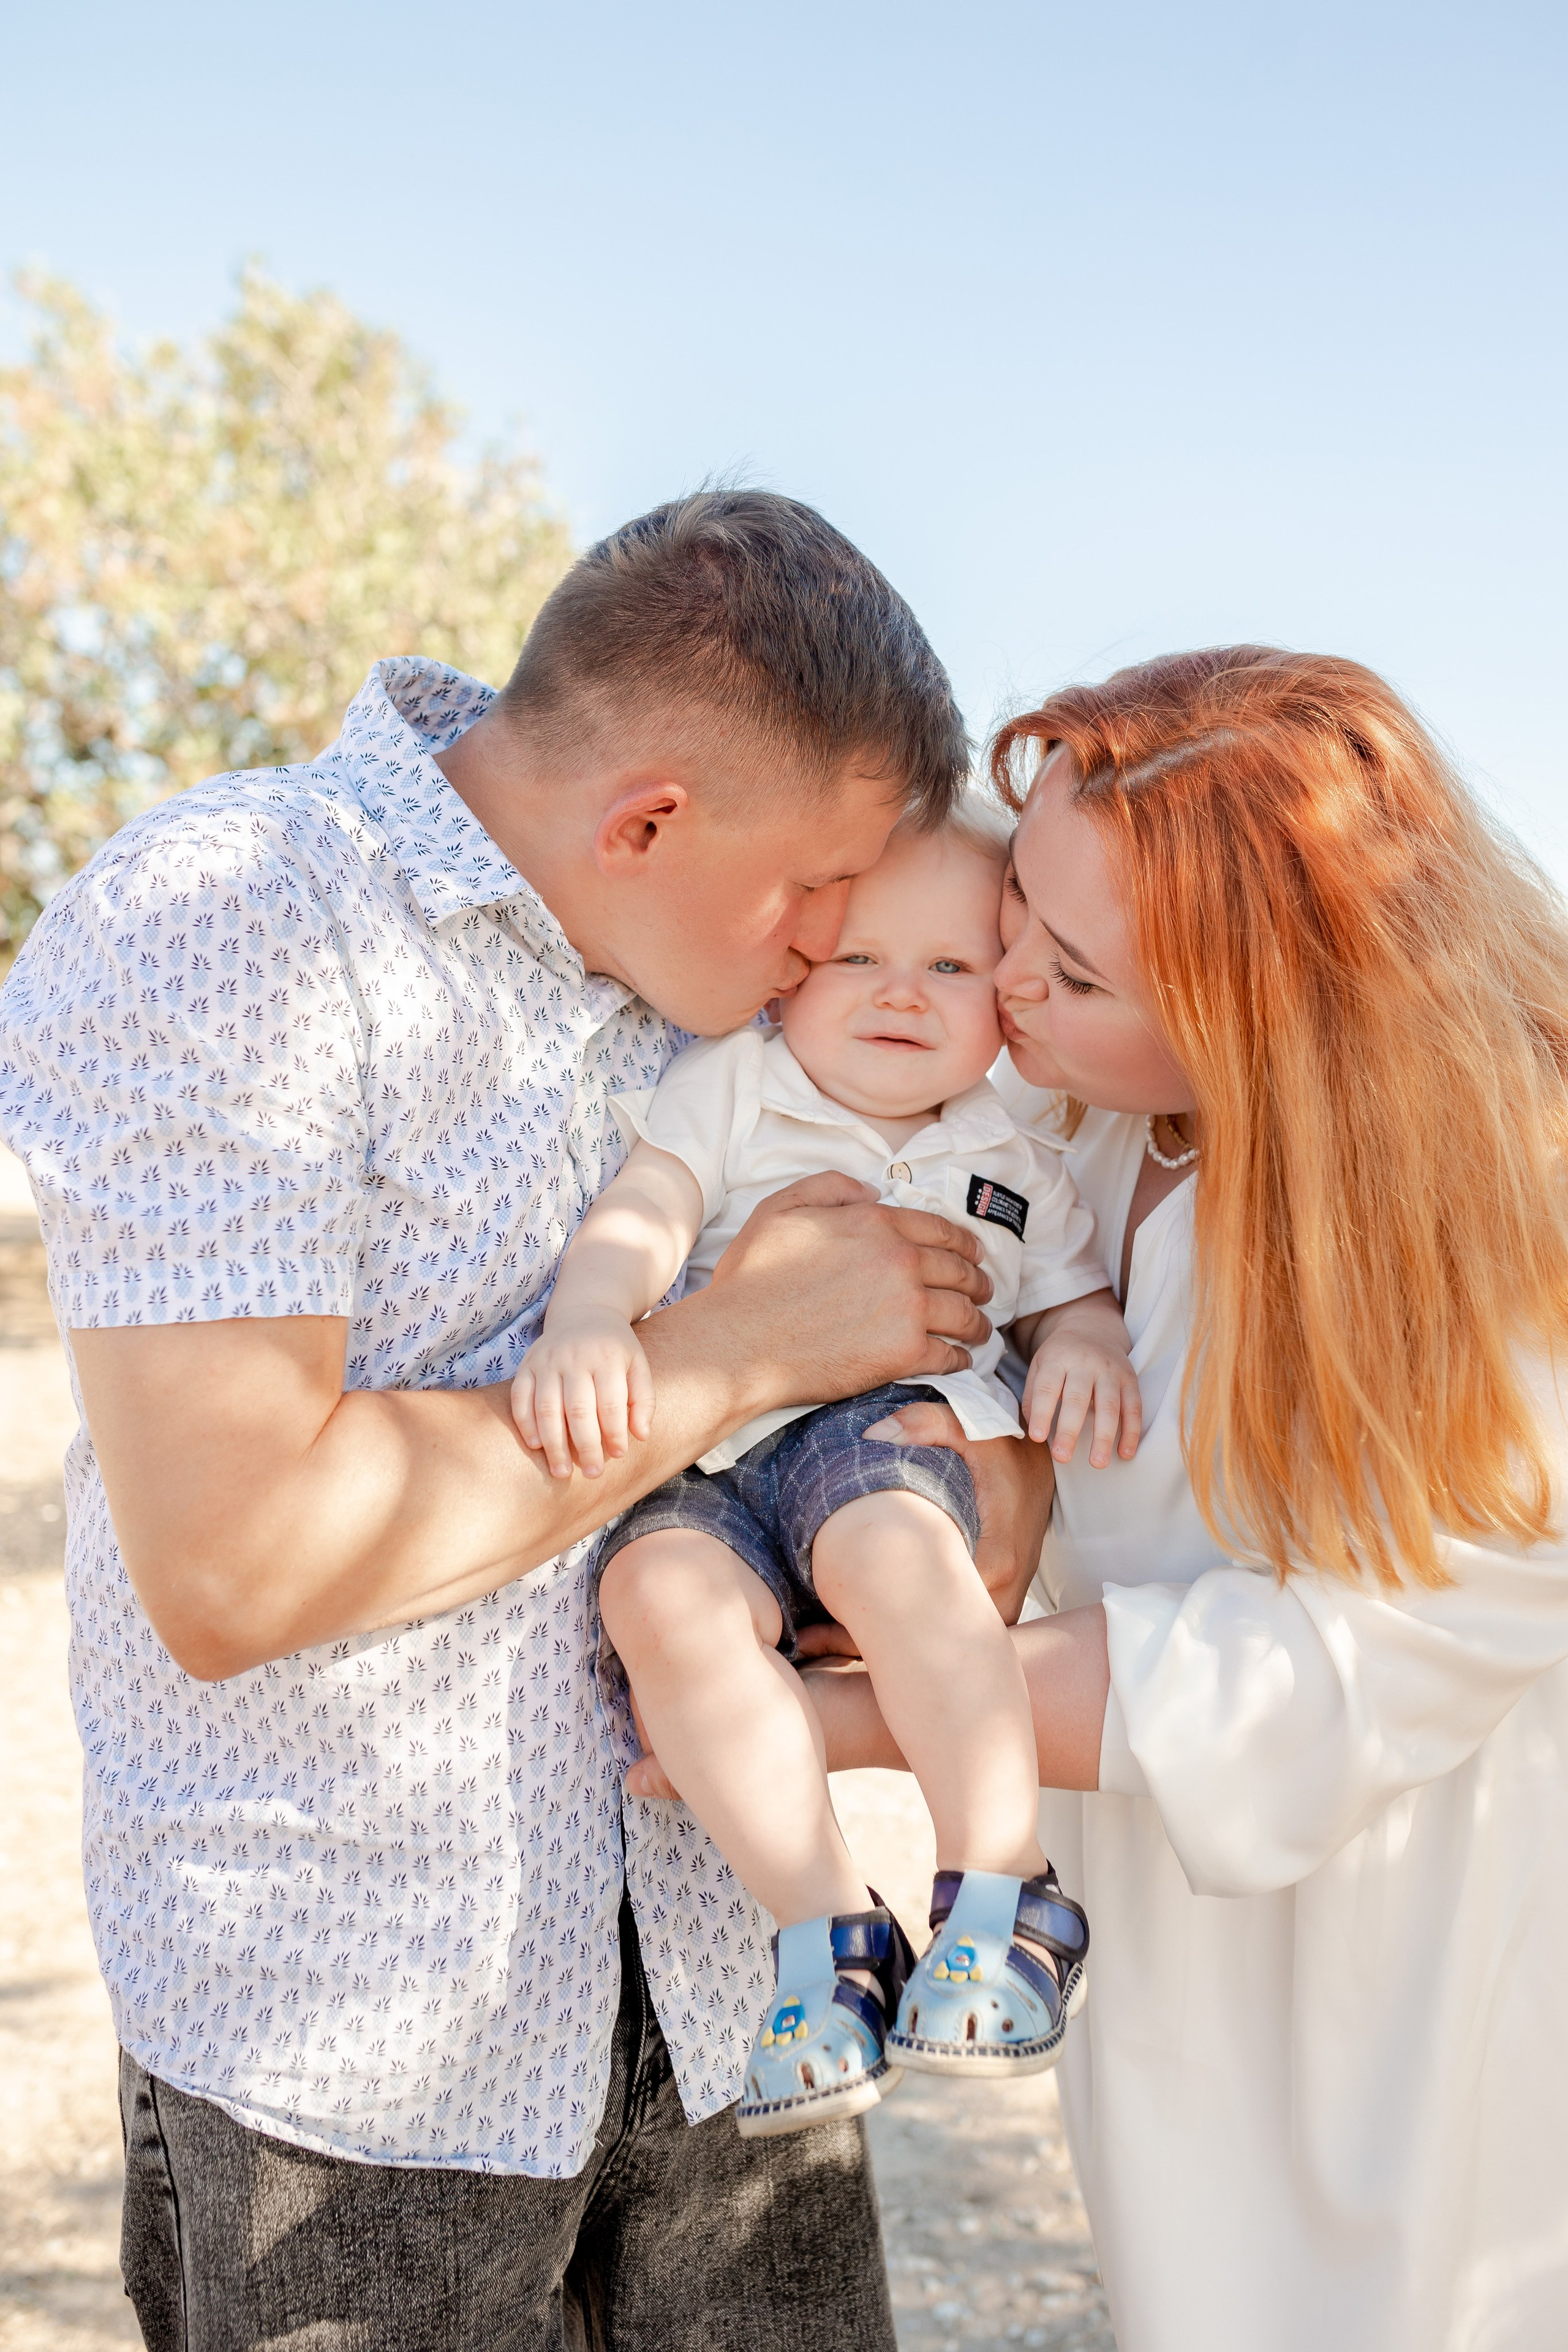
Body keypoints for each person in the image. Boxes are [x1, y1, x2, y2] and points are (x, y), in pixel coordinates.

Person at [0, 491, 1057, 2352]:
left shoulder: (735, 989)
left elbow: (956, 1387)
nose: (842, 952)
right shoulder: (237, 921)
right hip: (363, 2052)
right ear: (646, 819)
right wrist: (740, 1353)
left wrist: (957, 1482)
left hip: (747, 1993)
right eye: (818, 895)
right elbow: (235, 1559)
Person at [806, 646, 1568, 2352]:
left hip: (1423, 1936)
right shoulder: (1085, 1135)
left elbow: (1311, 1672)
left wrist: (848, 1714)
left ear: (1260, 1018)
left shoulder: (1520, 1237)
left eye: (1067, 973)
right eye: (1017, 915)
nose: (1005, 985)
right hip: (1163, 1887)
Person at [517, 799, 1136, 2135]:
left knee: (890, 1554)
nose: (899, 994)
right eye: (858, 958)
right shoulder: (737, 1079)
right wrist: (587, 1315)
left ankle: (998, 1887)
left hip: (887, 1433)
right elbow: (648, 1207)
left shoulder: (1014, 1149)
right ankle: (830, 1936)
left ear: (1003, 1006)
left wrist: (1081, 1344)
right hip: (713, 1441)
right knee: (656, 1602)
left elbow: (1067, 1299)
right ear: (796, 971)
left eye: (949, 967)